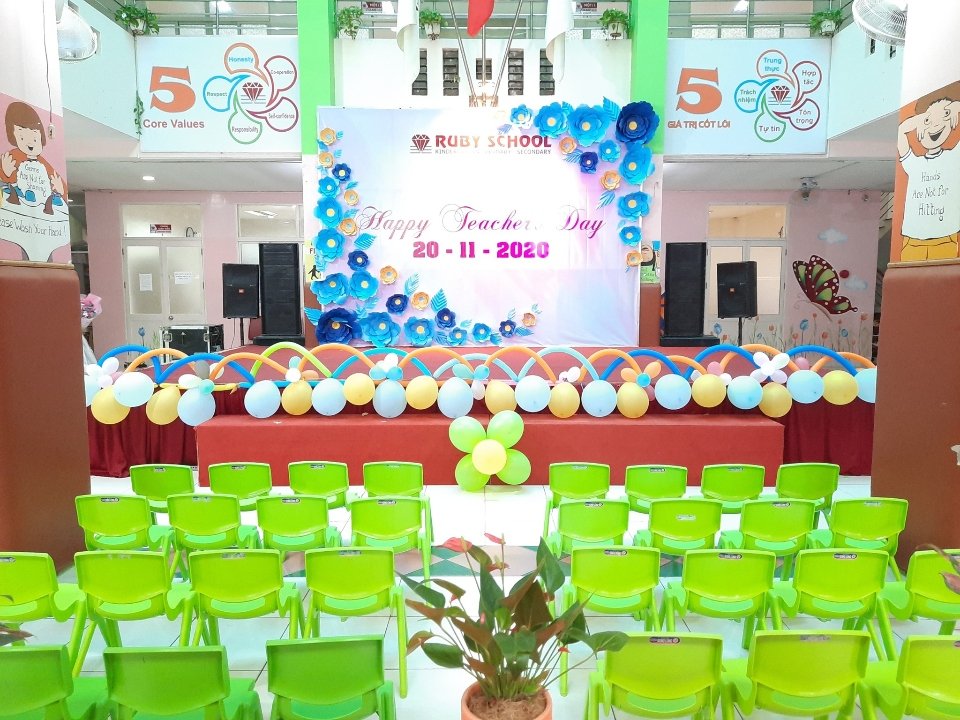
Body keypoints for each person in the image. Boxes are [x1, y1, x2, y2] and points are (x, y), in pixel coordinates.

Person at [896, 84, 960, 261]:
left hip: (945, 237)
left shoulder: (954, 157)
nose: (936, 124)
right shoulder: (914, 163)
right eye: (928, 120)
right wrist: (917, 121)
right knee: (909, 276)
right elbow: (901, 132)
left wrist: (955, 106)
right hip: (912, 240)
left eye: (945, 116)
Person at [0, 101, 66, 215]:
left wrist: (61, 190)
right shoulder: (12, 156)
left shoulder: (44, 164)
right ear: (14, 137)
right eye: (22, 137)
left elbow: (58, 183)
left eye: (35, 139)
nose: (30, 143)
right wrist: (5, 174)